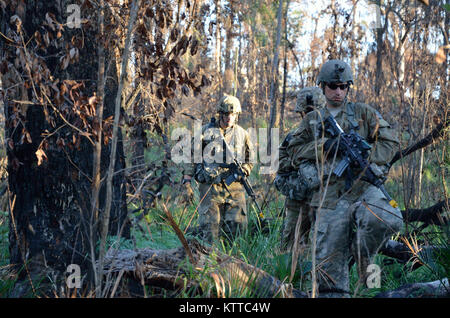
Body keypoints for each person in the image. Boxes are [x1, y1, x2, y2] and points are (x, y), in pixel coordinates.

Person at [286, 59, 404, 297]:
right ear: (323, 87)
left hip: (363, 188)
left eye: (343, 86)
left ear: (349, 87)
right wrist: (326, 146)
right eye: (332, 86)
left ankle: (370, 281)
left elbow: (390, 140)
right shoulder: (312, 120)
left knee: (389, 218)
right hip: (329, 196)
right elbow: (294, 151)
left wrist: (370, 160)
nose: (338, 91)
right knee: (330, 274)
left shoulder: (364, 113)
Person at [182, 94, 254, 244]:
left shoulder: (242, 134)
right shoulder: (205, 131)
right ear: (220, 113)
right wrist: (187, 182)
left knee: (237, 229)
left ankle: (233, 264)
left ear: (237, 115)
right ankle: (209, 263)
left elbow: (250, 159)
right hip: (210, 187)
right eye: (226, 114)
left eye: (232, 114)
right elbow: (191, 156)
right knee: (210, 230)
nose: (229, 118)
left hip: (235, 188)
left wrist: (245, 170)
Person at [275, 87, 325, 253]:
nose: (310, 117)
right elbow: (279, 163)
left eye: (313, 112)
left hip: (323, 199)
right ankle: (287, 276)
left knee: (322, 245)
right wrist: (296, 163)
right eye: (306, 112)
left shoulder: (334, 137)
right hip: (298, 199)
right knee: (289, 244)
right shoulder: (293, 136)